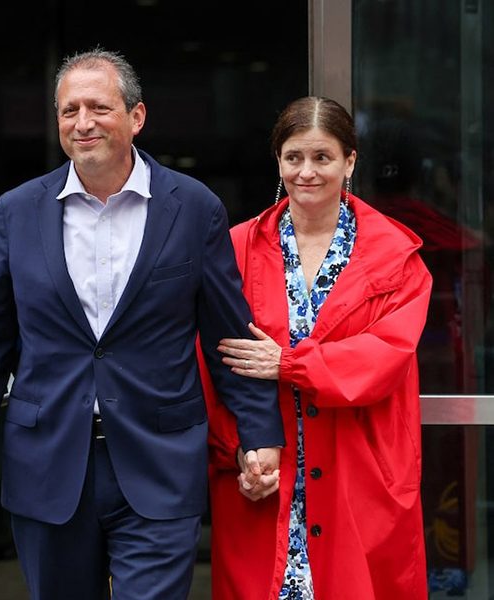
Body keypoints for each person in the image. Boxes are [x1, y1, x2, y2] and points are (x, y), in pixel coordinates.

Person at [0, 49, 285, 600]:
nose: (83, 122)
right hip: (47, 463)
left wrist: (259, 433)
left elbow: (229, 335)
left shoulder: (193, 207)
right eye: (68, 109)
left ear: (136, 117)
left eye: (99, 107)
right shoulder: (17, 211)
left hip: (159, 459)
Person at [205, 96, 432, 599]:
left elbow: (386, 357)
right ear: (279, 161)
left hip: (359, 473)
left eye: (322, 157)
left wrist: (289, 364)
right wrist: (239, 451)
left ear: (350, 161)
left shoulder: (397, 256)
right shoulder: (235, 248)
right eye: (293, 157)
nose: (306, 172)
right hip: (268, 472)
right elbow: (209, 363)